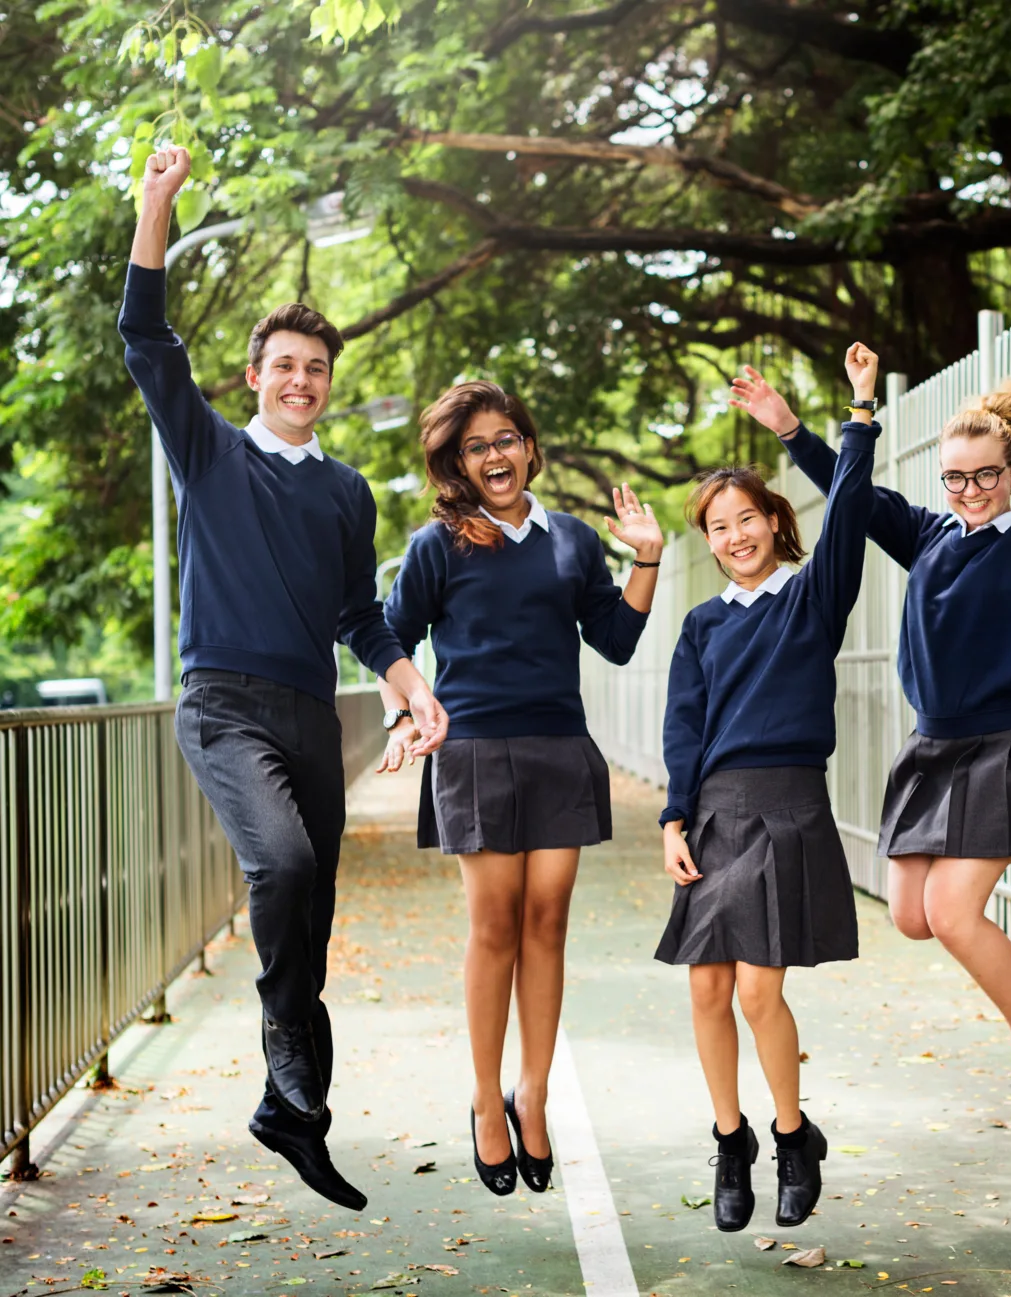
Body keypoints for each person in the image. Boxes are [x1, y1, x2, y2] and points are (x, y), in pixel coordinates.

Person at [120, 146, 447, 1211]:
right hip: (225, 706)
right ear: (254, 376)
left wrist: (408, 683)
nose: (299, 380)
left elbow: (361, 614)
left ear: (327, 385)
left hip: (313, 713)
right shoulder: (210, 451)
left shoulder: (348, 492)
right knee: (287, 866)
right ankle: (287, 1059)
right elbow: (144, 338)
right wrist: (157, 207)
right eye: (282, 366)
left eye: (315, 369)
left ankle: (292, 1112)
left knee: (312, 910)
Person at [751, 318, 1011, 1130]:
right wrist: (800, 427)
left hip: (1008, 744)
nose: (970, 493)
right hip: (934, 745)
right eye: (955, 479)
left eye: (986, 477)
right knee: (910, 915)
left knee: (951, 913)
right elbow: (855, 496)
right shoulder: (931, 532)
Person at [378, 381, 660, 1196]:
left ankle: (532, 1092)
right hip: (471, 749)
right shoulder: (437, 546)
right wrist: (408, 714)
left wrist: (645, 557)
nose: (494, 455)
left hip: (558, 746)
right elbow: (392, 636)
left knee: (548, 920)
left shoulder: (571, 538)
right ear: (457, 463)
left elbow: (614, 637)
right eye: (476, 446)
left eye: (506, 439)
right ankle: (485, 1100)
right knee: (494, 924)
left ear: (530, 448)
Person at [656, 344, 880, 1234]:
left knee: (757, 992)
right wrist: (676, 816)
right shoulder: (702, 625)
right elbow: (684, 729)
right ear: (708, 543)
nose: (735, 535)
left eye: (746, 517)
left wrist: (849, 414)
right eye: (718, 526)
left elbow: (855, 508)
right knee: (706, 991)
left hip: (788, 807)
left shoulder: (812, 597)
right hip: (714, 812)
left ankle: (793, 1134)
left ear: (774, 522)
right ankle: (730, 1140)